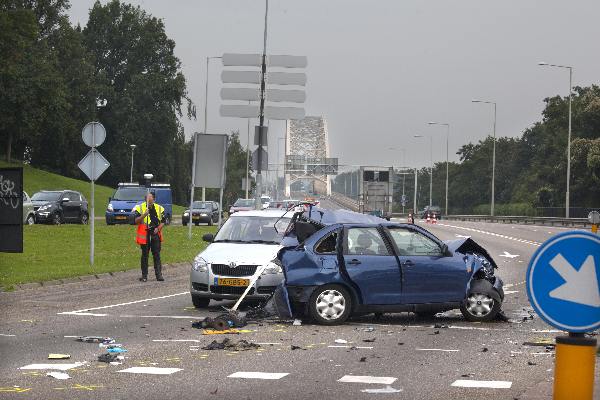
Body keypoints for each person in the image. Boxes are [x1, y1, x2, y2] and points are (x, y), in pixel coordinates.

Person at [133, 191, 165, 282]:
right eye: (147, 198)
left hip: (155, 234)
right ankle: (144, 276)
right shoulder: (140, 208)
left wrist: (158, 229)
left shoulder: (160, 208)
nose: (148, 199)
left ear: (154, 199)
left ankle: (159, 275)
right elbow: (136, 221)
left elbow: (163, 221)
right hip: (145, 234)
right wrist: (144, 215)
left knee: (157, 255)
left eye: (150, 198)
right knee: (144, 255)